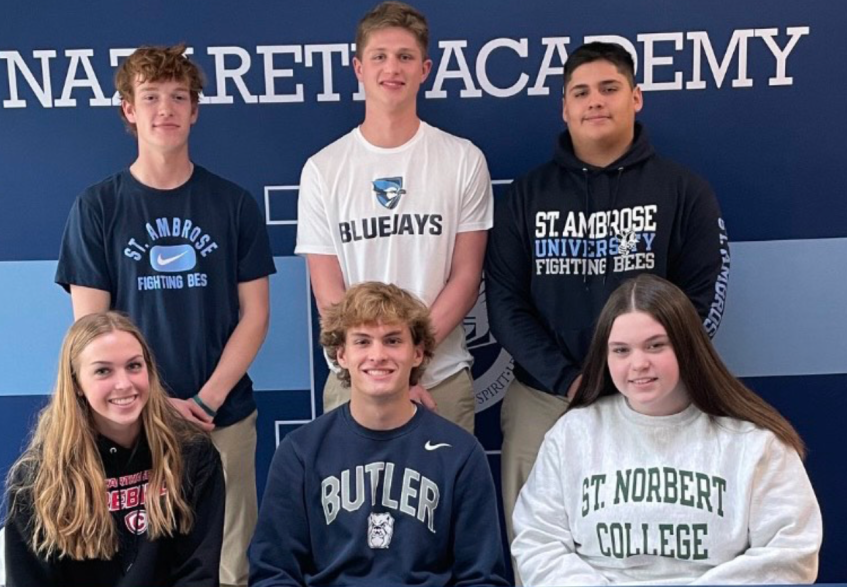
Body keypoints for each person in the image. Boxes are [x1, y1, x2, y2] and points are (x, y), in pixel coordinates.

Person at [485, 41, 731, 551]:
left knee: (649, 544)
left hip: (653, 399)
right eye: (580, 92)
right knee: (536, 548)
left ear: (636, 97)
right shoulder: (527, 196)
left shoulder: (685, 191)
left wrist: (641, 374)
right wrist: (569, 378)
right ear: (565, 107)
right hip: (544, 396)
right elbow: (505, 303)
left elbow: (701, 297)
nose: (594, 101)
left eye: (609, 88)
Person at [54, 44, 275, 587]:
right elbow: (91, 335)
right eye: (150, 97)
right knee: (136, 566)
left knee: (228, 568)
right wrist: (150, 404)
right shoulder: (98, 207)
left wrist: (205, 399)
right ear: (128, 109)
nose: (165, 109)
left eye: (179, 97)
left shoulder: (233, 203)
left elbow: (256, 315)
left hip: (220, 417)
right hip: (128, 424)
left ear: (196, 110)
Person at [511, 274, 822, 585]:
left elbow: (792, 552)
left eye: (655, 346)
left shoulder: (755, 443)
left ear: (687, 347)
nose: (638, 363)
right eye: (621, 350)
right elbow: (538, 542)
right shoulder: (572, 434)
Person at [295, 1, 493, 433]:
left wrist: (408, 365)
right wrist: (377, 363)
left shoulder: (462, 160)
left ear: (425, 69)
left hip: (439, 380)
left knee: (446, 503)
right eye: (379, 57)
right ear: (358, 68)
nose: (392, 68)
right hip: (354, 384)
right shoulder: (323, 168)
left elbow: (465, 277)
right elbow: (329, 295)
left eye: (405, 57)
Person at [248, 282, 508, 587]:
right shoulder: (300, 452)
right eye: (362, 341)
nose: (378, 355)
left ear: (418, 353)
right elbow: (273, 573)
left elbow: (482, 578)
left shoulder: (460, 452)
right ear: (341, 355)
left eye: (393, 340)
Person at [4, 312, 225, 586]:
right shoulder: (38, 475)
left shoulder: (193, 455)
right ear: (77, 384)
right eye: (103, 371)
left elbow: (198, 575)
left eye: (134, 366)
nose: (124, 384)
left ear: (150, 371)